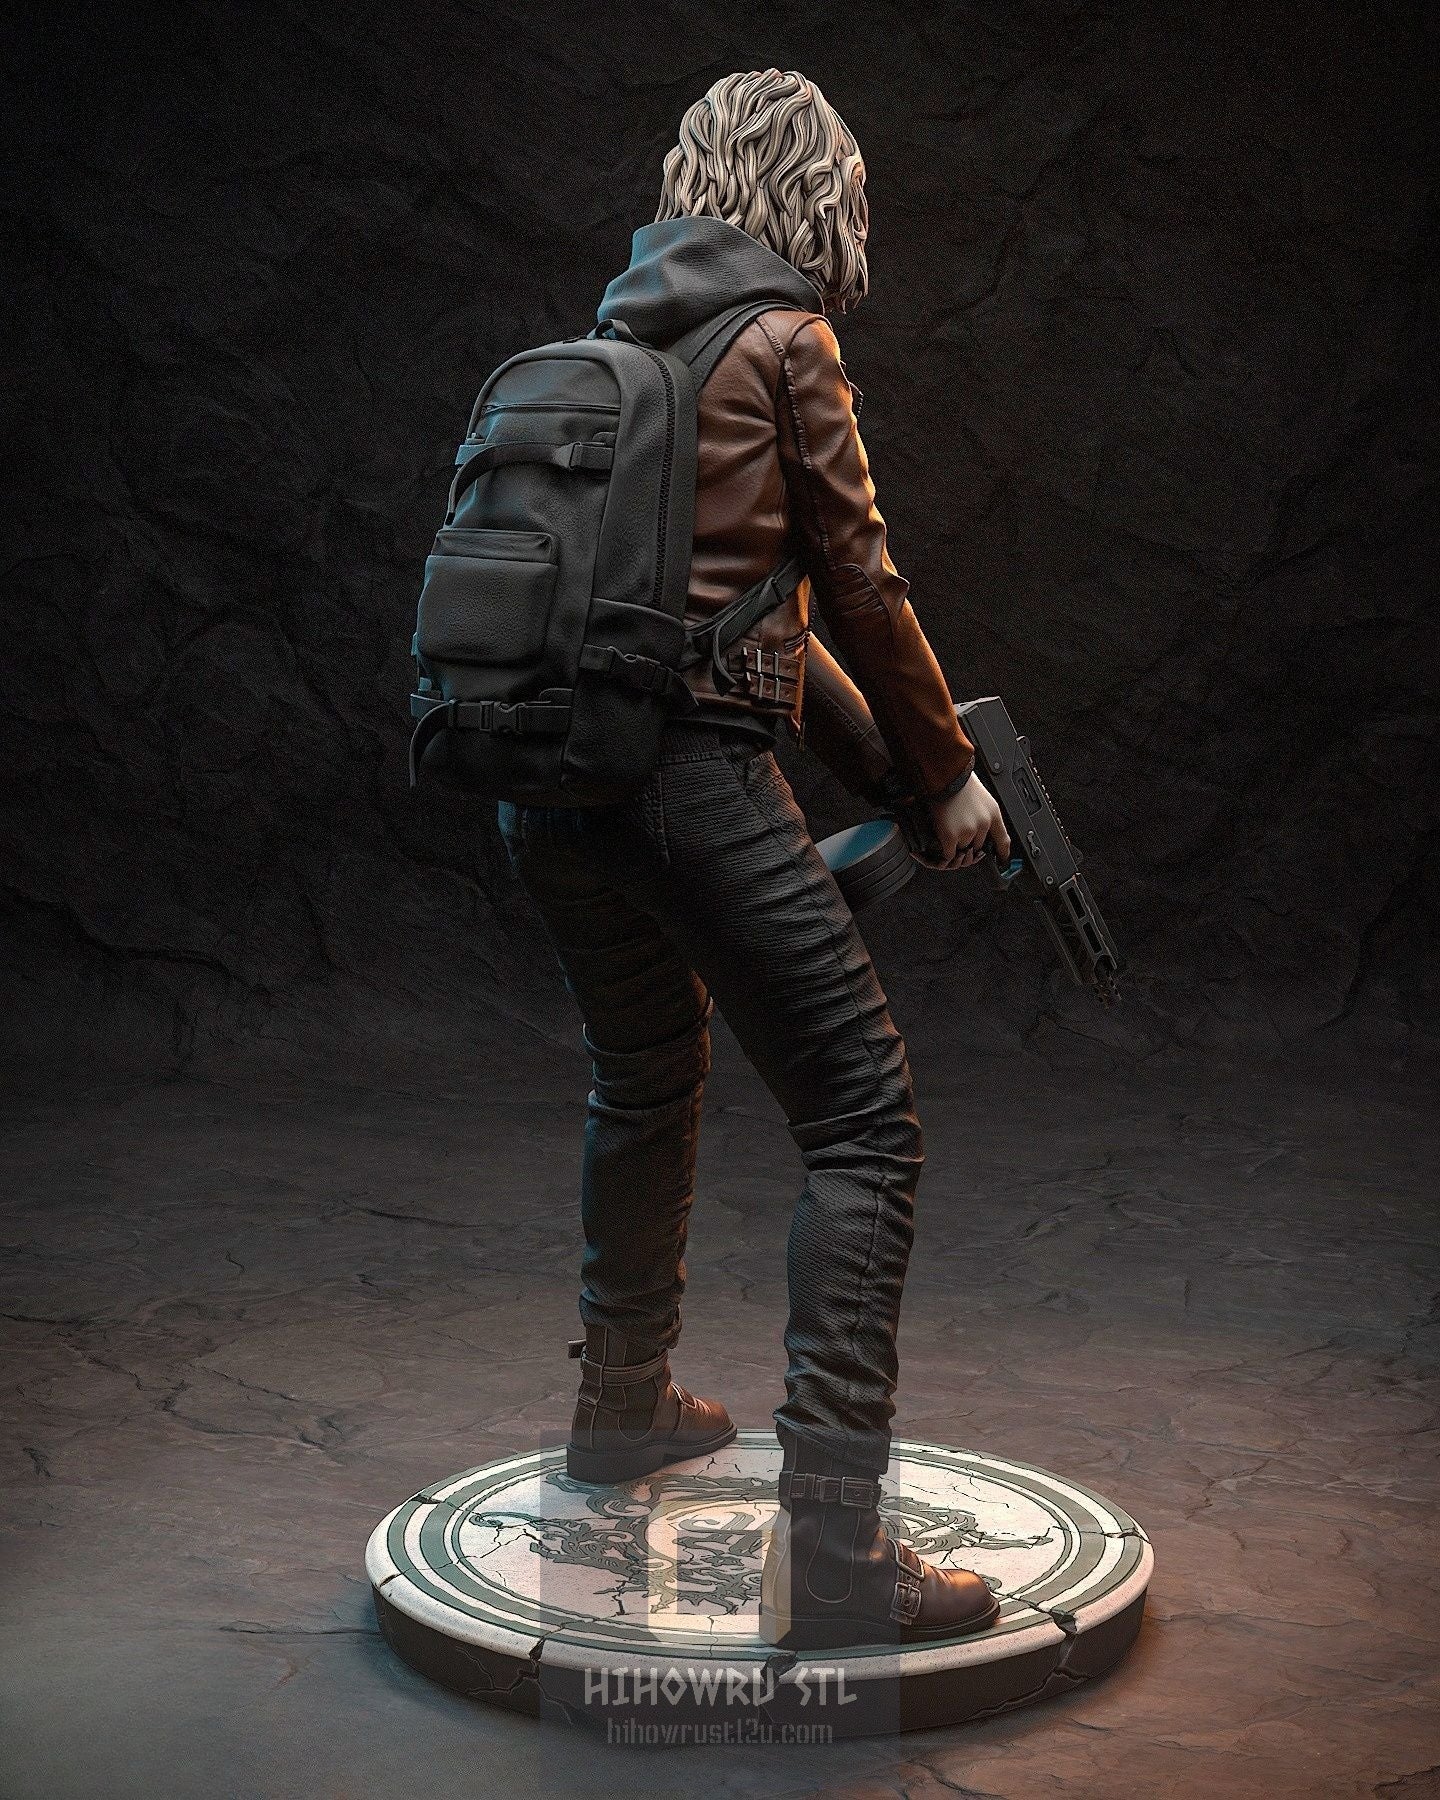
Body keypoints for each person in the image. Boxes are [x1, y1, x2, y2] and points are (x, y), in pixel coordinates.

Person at [495, 68, 1010, 1649]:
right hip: (686, 782)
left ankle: (621, 1407)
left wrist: (896, 771)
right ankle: (835, 1561)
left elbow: (753, 624)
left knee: (646, 1074)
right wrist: (951, 778)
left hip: (546, 780)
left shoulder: (615, 344)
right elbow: (860, 584)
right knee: (863, 1124)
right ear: (817, 196)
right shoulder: (786, 344)